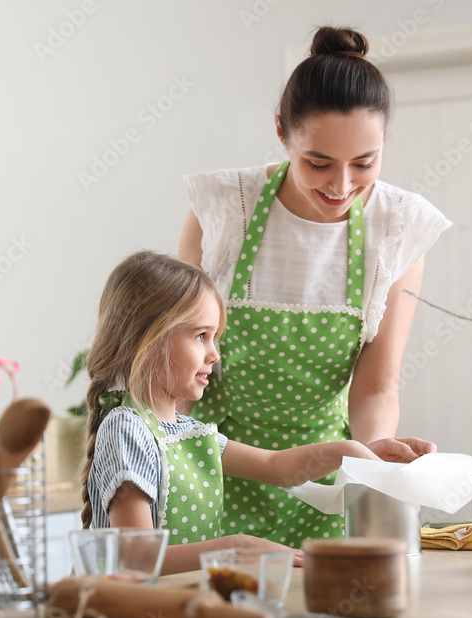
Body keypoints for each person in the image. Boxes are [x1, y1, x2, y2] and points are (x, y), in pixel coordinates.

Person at [178, 26, 450, 547]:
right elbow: (173, 357)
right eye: (318, 163)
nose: (342, 186)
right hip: (212, 465)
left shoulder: (397, 229)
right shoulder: (223, 208)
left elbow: (375, 385)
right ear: (282, 133)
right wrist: (156, 458)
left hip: (327, 478)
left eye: (364, 164)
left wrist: (376, 456)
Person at [78, 251, 433, 574]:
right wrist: (233, 547)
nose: (214, 354)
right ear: (147, 338)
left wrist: (361, 453)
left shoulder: (187, 431)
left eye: (215, 337)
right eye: (201, 336)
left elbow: (275, 467)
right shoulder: (128, 429)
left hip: (181, 606)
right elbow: (135, 558)